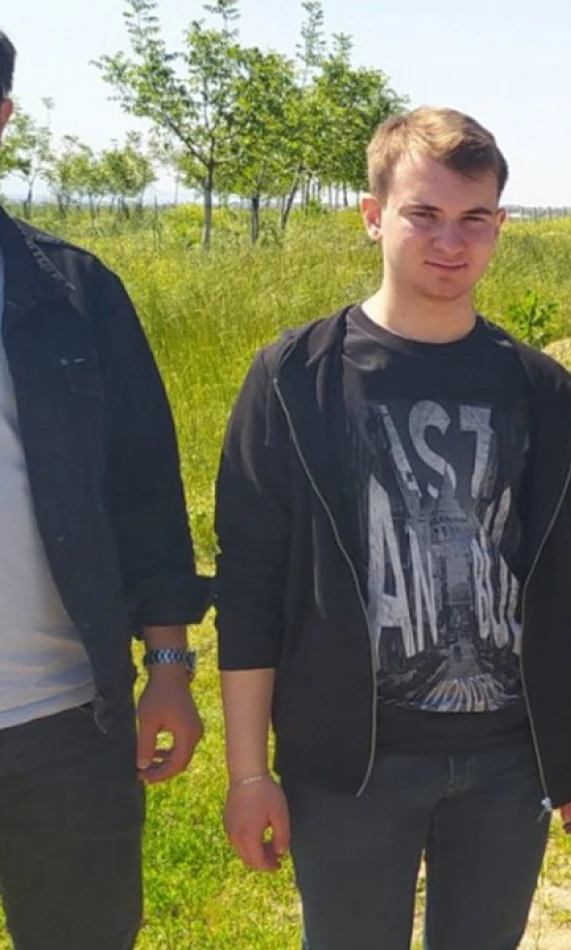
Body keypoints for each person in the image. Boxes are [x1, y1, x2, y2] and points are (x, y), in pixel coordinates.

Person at [214, 106, 571, 950]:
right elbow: (248, 583)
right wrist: (249, 772)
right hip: (350, 762)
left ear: (501, 226)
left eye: (474, 220)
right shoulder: (295, 380)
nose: (450, 242)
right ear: (372, 215)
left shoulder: (541, 392)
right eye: (422, 215)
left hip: (509, 759)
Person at [0, 29, 210, 950]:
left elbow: (145, 496)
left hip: (64, 727)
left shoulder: (74, 294)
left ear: (3, 118)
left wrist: (168, 666)